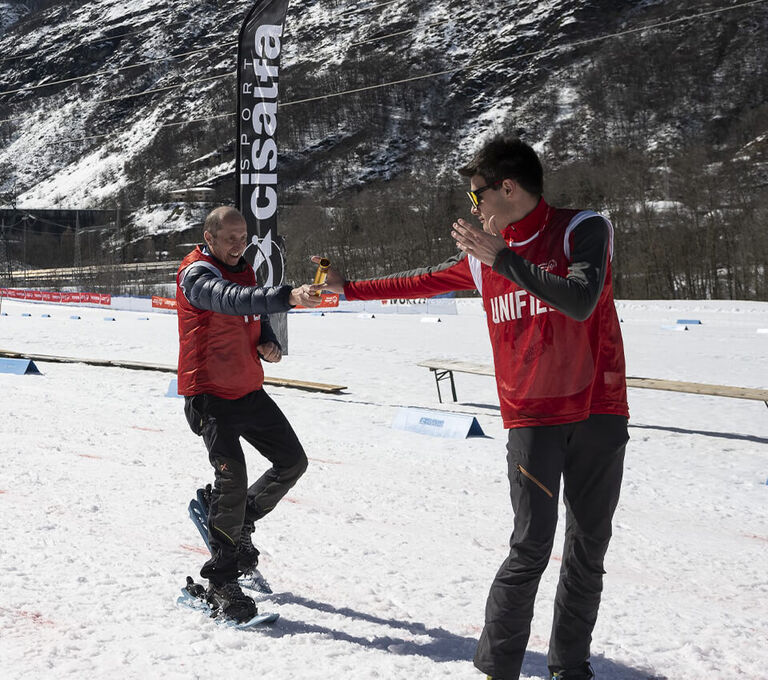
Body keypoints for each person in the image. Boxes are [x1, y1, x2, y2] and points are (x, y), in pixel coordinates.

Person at [316, 136, 629, 680]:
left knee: (588, 548)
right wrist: (349, 289)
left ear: (507, 187)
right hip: (532, 415)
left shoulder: (582, 228)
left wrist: (502, 258)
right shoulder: (486, 255)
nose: (473, 207)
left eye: (476, 194)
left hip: (598, 410)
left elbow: (580, 300)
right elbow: (419, 280)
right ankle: (497, 668)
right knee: (530, 546)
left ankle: (569, 666)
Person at [176, 206, 322, 622]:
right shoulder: (196, 274)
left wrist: (269, 339)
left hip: (248, 390)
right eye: (229, 237)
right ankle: (222, 581)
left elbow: (252, 315)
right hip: (209, 395)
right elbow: (227, 300)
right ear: (209, 236)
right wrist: (286, 296)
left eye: (243, 236)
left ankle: (236, 520)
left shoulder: (247, 268)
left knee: (293, 461)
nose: (239, 243)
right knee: (233, 479)